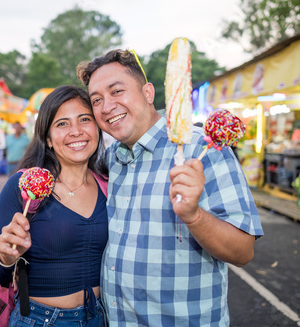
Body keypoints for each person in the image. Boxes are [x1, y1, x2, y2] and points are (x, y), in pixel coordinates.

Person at [77, 49, 263, 326]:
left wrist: (193, 215)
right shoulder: (112, 157)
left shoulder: (202, 148)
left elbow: (243, 252)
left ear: (148, 93)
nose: (107, 107)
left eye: (117, 91)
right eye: (97, 100)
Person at [0, 85, 108, 326]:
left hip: (98, 318)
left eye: (84, 119)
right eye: (62, 124)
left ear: (97, 127)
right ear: (47, 137)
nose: (76, 131)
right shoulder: (24, 186)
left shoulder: (108, 185)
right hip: (40, 320)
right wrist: (5, 258)